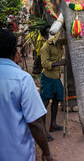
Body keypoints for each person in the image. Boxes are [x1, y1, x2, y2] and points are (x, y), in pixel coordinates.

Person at [0, 29, 53, 161]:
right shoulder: (22, 79)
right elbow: (35, 122)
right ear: (15, 52)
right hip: (17, 154)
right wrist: (46, 152)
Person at [40, 27, 67, 141]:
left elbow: (69, 39)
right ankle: (42, 131)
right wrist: (59, 63)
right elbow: (45, 63)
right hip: (48, 77)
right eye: (50, 33)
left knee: (56, 100)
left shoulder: (59, 43)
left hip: (56, 77)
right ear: (45, 36)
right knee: (45, 103)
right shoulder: (45, 47)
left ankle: (53, 125)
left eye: (53, 32)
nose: (53, 35)